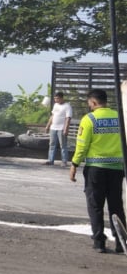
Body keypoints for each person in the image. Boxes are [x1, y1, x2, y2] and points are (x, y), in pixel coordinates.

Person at [69, 89, 125, 253]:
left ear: (93, 102)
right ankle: (121, 242)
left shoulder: (89, 119)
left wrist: (74, 164)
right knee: (116, 205)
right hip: (117, 168)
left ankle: (99, 242)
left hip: (96, 170)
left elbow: (82, 145)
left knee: (95, 205)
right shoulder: (119, 118)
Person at [43, 92, 73, 167]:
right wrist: (48, 126)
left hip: (61, 128)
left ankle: (64, 161)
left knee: (63, 145)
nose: (56, 100)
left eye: (57, 98)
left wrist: (66, 129)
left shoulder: (67, 106)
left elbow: (68, 118)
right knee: (52, 144)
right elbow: (52, 115)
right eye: (55, 98)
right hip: (53, 127)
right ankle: (50, 160)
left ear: (62, 98)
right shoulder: (55, 105)